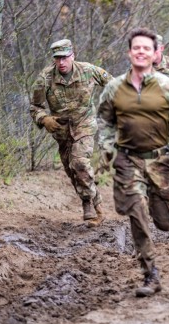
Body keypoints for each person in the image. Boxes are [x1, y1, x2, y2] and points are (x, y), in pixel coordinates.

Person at [97, 28, 169, 297]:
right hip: (127, 160)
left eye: (146, 48)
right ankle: (150, 273)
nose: (141, 51)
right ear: (129, 53)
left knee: (165, 222)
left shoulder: (168, 87)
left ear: (155, 54)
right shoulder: (115, 88)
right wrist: (106, 148)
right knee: (137, 212)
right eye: (136, 48)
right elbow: (104, 120)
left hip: (160, 161)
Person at [30, 39, 111, 227]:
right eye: (57, 58)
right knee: (72, 171)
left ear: (72, 56)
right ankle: (87, 201)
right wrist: (44, 119)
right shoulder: (45, 79)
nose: (61, 62)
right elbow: (34, 106)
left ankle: (97, 208)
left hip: (84, 124)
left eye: (65, 58)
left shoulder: (88, 70)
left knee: (79, 163)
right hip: (62, 131)